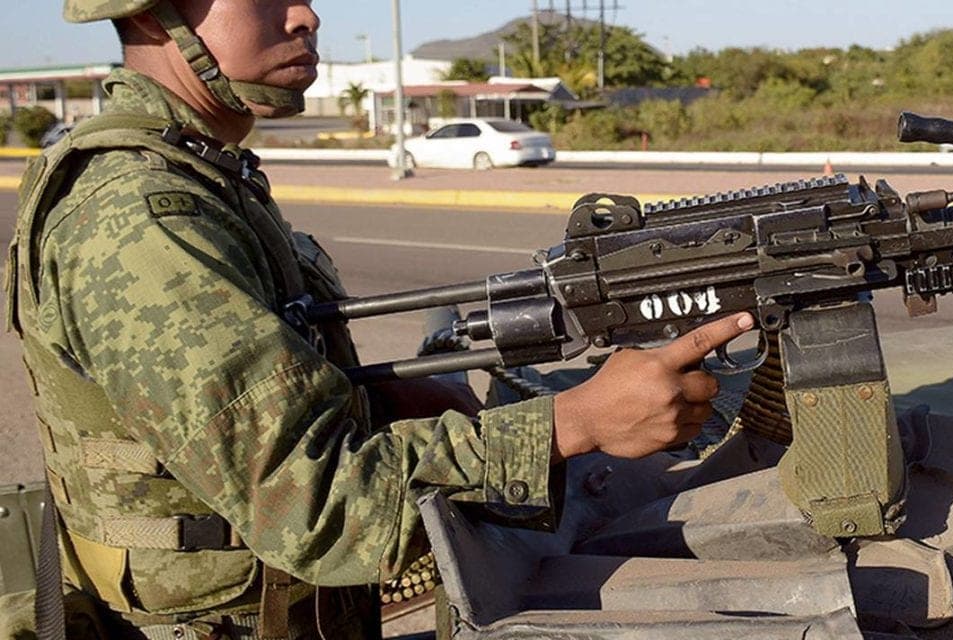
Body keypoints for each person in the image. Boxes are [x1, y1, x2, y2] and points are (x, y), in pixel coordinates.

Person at [3, 1, 753, 637]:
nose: (306, 14)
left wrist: (390, 401)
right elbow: (314, 505)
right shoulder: (140, 219)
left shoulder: (203, 174)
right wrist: (577, 422)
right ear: (158, 15)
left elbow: (279, 400)